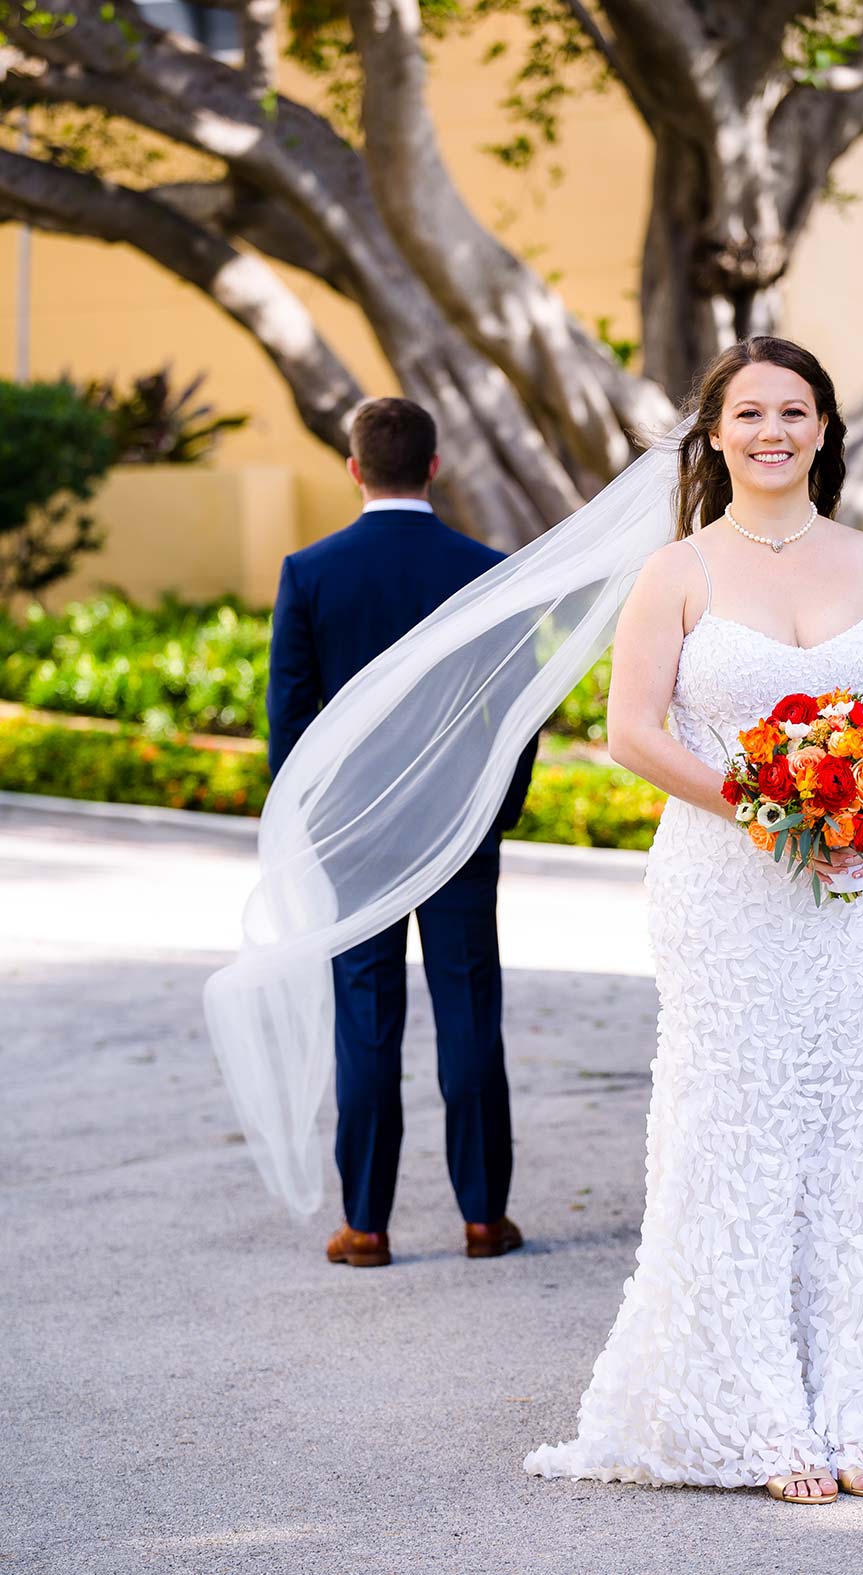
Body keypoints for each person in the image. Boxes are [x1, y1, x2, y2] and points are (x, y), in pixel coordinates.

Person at [523, 337, 863, 1503]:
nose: (772, 430)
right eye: (749, 411)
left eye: (794, 410)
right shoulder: (679, 574)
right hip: (728, 887)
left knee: (854, 1145)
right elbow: (635, 730)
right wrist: (767, 808)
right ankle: (766, 1417)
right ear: (715, 434)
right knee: (742, 1140)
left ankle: (853, 1407)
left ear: (823, 430)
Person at [266, 397, 535, 1268]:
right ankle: (485, 1219)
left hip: (354, 837)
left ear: (354, 468)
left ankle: (368, 1226)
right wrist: (496, 808)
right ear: (434, 466)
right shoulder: (485, 571)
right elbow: (519, 711)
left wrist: (311, 826)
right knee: (468, 1012)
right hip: (460, 830)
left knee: (367, 1020)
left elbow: (291, 723)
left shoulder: (309, 571)